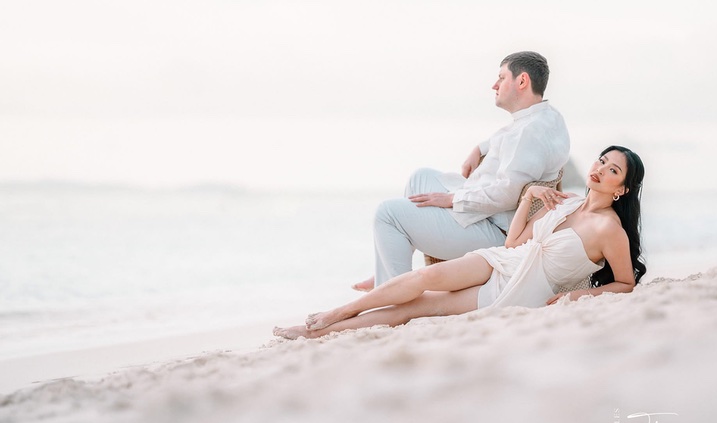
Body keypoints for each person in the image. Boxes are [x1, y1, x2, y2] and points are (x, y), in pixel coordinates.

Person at [273, 146, 646, 340]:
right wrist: (530, 196)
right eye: (602, 160)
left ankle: (313, 332)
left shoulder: (610, 230)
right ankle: (338, 312)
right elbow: (515, 242)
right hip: (502, 260)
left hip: (519, 289)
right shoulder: (566, 202)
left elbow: (625, 284)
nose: (600, 169)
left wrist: (576, 297)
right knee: (422, 280)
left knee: (416, 308)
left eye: (612, 170)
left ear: (622, 188)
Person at [352, 51, 570, 292]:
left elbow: (506, 195)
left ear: (522, 81)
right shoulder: (546, 117)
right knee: (420, 177)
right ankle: (390, 272)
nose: (494, 85)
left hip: (495, 231)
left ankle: (394, 293)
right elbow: (512, 137)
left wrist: (452, 199)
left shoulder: (529, 134)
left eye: (501, 77)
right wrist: (479, 148)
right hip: (487, 212)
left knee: (387, 213)